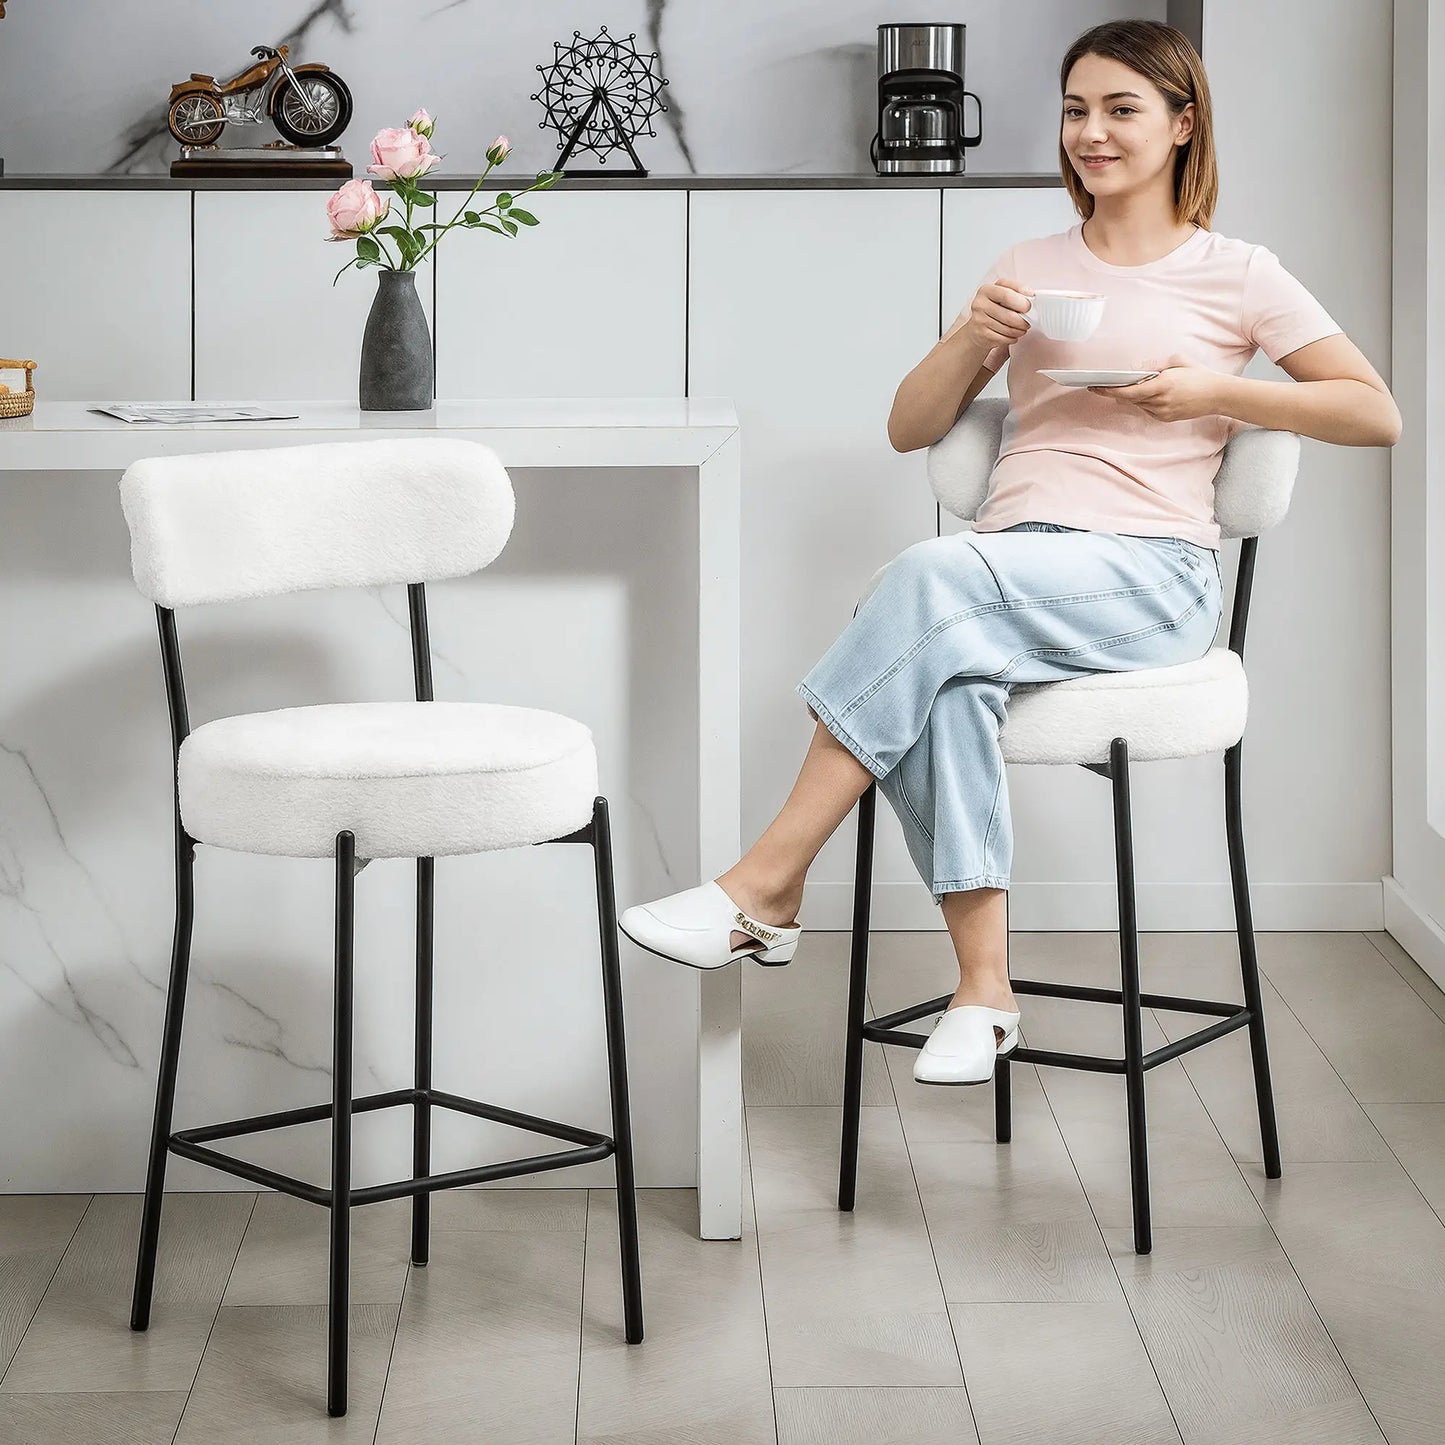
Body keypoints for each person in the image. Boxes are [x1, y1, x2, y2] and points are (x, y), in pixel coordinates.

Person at [620, 18, 1400, 1085]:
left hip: (1148, 577)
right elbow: (907, 425)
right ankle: (984, 994)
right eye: (1075, 109)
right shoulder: (1028, 267)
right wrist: (974, 338)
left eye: (1120, 109)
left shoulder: (1237, 273)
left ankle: (765, 887)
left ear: (1181, 125)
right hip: (1015, 565)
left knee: (927, 581)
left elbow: (1371, 411)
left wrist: (1212, 391)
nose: (1091, 132)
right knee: (943, 674)